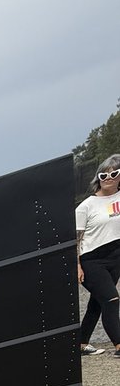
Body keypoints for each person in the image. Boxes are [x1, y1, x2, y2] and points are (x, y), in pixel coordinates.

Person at [76, 153, 120, 358]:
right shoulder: (87, 206)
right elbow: (75, 239)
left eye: (114, 173)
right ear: (98, 178)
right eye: (104, 175)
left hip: (115, 257)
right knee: (111, 300)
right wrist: (76, 266)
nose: (109, 178)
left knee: (97, 303)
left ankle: (81, 343)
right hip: (92, 259)